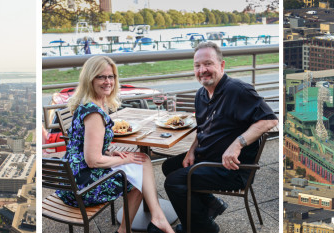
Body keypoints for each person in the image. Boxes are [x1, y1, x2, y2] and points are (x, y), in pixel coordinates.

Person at [161, 42, 278, 232]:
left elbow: (269, 120)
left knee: (175, 181)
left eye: (208, 64)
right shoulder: (201, 94)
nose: (202, 70)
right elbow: (202, 129)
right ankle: (210, 205)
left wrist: (237, 144)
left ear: (221, 65)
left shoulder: (238, 90)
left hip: (232, 169)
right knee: (170, 166)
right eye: (197, 65)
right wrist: (191, 151)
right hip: (209, 159)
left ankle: (202, 228)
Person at [55, 56, 175, 233]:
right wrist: (123, 160)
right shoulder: (94, 113)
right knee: (140, 172)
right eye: (101, 77)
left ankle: (155, 219)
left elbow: (83, 146)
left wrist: (111, 154)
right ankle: (144, 223)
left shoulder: (91, 104)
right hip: (82, 187)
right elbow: (93, 161)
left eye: (111, 77)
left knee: (142, 162)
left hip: (70, 179)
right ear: (90, 79)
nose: (108, 81)